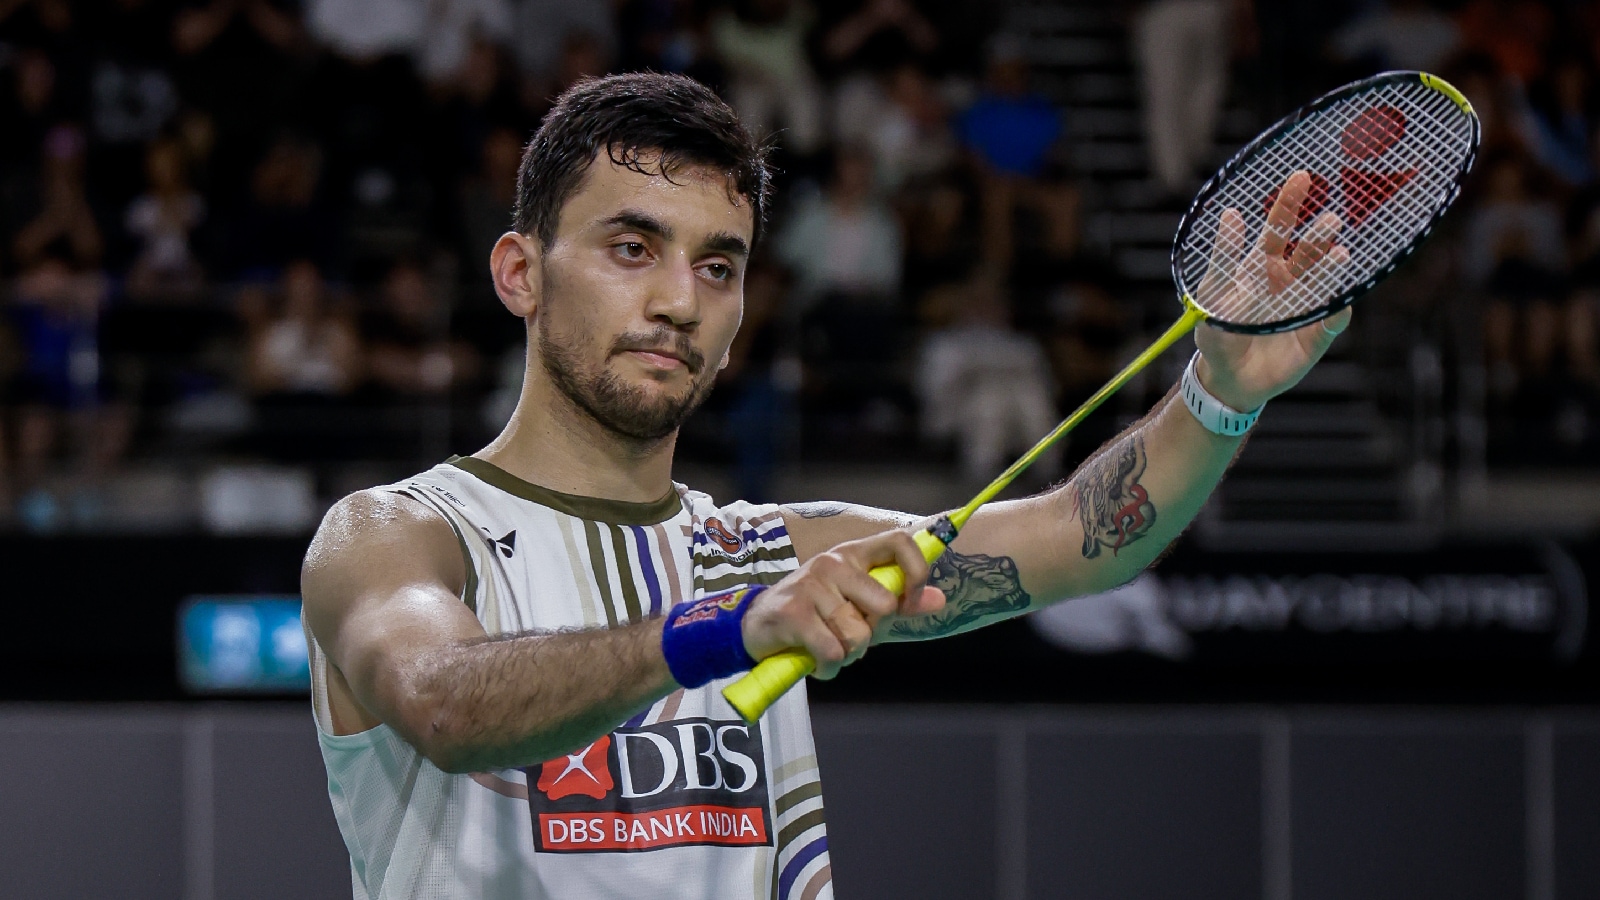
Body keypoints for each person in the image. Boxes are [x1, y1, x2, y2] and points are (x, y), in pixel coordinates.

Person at [299, 72, 1351, 898]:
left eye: (718, 267)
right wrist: (729, 629)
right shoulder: (401, 533)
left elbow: (1081, 537)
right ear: (520, 272)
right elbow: (442, 699)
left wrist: (1220, 394)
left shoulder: (765, 551)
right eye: (632, 247)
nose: (679, 301)